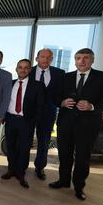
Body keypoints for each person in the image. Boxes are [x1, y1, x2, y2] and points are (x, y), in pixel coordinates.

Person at [49, 48, 103, 200]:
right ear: (75, 61)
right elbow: (55, 96)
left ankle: (79, 187)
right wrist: (62, 102)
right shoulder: (65, 77)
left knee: (82, 158)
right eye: (79, 58)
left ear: (92, 60)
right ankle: (63, 180)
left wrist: (92, 106)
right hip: (66, 124)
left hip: (88, 126)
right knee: (64, 155)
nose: (82, 61)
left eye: (86, 58)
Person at [2, 59, 45, 189]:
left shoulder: (37, 85)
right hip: (10, 120)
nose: (23, 70)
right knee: (10, 146)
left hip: (26, 121)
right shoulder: (10, 83)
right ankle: (11, 169)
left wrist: (33, 121)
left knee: (24, 148)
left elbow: (40, 106)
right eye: (20, 67)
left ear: (30, 70)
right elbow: (4, 100)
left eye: (26, 68)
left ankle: (21, 173)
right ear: (16, 69)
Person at [29, 48, 65, 180]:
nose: (45, 59)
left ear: (52, 59)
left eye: (48, 57)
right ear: (37, 58)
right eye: (42, 57)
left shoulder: (60, 73)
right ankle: (20, 165)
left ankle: (39, 167)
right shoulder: (28, 71)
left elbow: (62, 93)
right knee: (25, 140)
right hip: (29, 113)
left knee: (43, 142)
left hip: (48, 114)